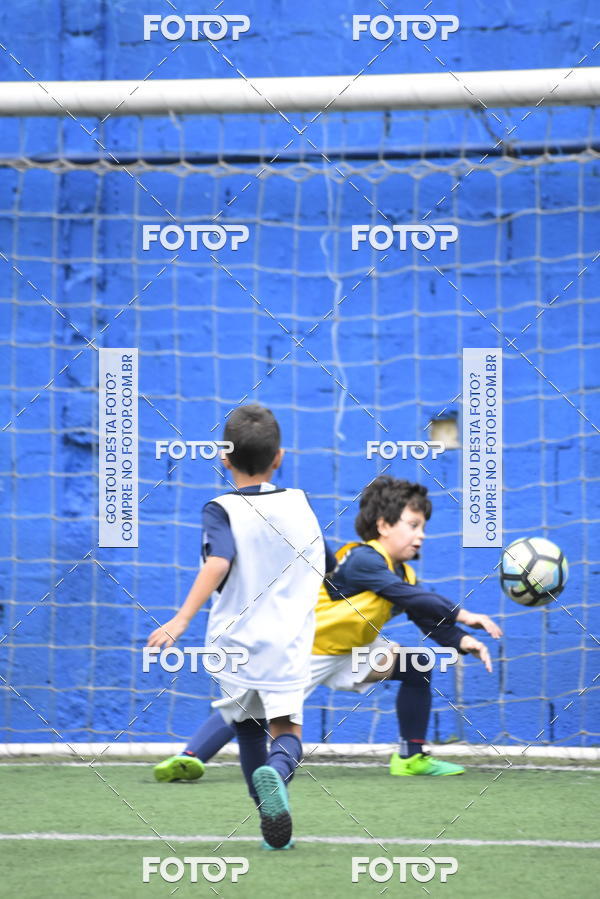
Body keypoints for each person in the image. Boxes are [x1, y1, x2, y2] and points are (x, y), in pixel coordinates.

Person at [154, 476, 502, 784]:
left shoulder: (405, 574)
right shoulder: (365, 559)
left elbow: (424, 613)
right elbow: (409, 596)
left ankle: (411, 757)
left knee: (417, 666)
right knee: (248, 708)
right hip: (308, 650)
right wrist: (465, 614)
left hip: (352, 653)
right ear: (383, 526)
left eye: (423, 527)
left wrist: (461, 640)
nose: (420, 535)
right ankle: (190, 758)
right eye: (412, 525)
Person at [147, 403, 332, 849]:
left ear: (223, 457)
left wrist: (181, 617)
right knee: (285, 730)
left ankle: (268, 815)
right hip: (285, 643)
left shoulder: (220, 508)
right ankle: (279, 774)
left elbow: (219, 560)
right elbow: (319, 564)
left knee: (248, 726)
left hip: (231, 644)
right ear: (279, 457)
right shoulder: (301, 505)